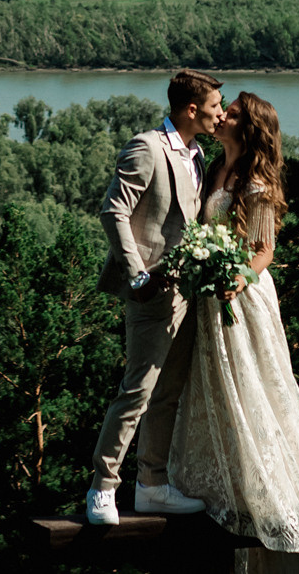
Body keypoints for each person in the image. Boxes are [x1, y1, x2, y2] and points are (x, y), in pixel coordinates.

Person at [167, 92, 299, 569]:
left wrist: (236, 278)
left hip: (243, 296)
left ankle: (267, 489)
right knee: (216, 391)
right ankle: (231, 485)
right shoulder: (213, 169)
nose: (222, 117)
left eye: (232, 113)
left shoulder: (256, 182)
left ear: (248, 127)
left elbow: (263, 251)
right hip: (211, 295)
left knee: (253, 389)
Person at [84, 68, 225, 525]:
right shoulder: (148, 147)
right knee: (137, 392)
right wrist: (138, 274)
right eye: (213, 107)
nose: (218, 115)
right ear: (190, 109)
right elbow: (114, 211)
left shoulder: (198, 153)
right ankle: (102, 489)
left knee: (169, 393)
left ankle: (152, 486)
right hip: (150, 293)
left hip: (187, 292)